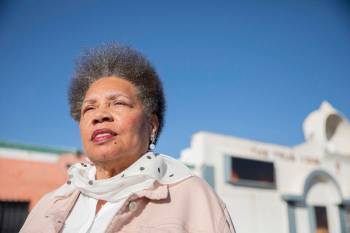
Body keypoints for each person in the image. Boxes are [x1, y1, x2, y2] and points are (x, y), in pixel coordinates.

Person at [20, 44, 236, 233]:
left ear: (151, 125)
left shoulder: (194, 199)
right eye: (89, 108)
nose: (100, 115)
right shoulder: (49, 205)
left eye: (118, 103)